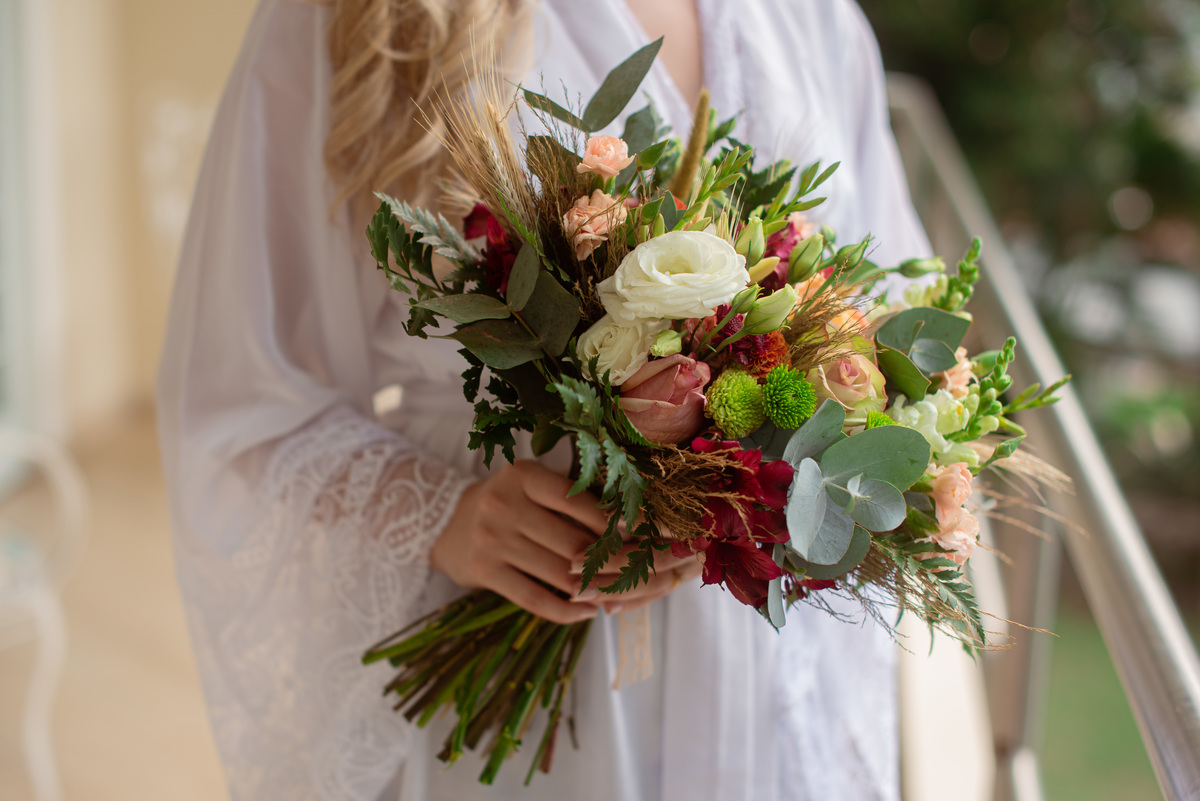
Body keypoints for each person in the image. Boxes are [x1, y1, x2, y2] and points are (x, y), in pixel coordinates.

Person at [156, 0, 931, 799]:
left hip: (767, 665)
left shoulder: (813, 19)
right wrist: (442, 516)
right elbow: (237, 391)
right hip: (526, 660)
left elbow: (890, 328)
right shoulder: (363, 14)